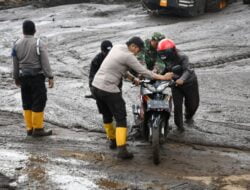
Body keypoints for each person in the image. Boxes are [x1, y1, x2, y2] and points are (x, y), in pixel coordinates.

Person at [91, 36, 173, 159]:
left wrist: (133, 79)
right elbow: (145, 72)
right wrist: (164, 77)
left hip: (96, 86)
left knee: (107, 115)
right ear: (133, 46)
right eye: (138, 50)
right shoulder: (128, 56)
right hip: (109, 89)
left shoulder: (117, 48)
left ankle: (112, 140)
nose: (137, 53)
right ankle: (122, 150)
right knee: (121, 118)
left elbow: (120, 69)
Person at [12, 20, 54, 137]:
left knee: (27, 102)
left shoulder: (16, 44)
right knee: (39, 101)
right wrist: (50, 76)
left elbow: (15, 64)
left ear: (23, 30)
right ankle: (38, 129)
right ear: (34, 30)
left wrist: (16, 77)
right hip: (37, 78)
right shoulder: (38, 43)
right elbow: (45, 62)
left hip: (23, 78)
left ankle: (29, 128)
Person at [157, 39, 200, 133]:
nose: (163, 56)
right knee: (177, 106)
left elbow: (187, 70)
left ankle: (188, 117)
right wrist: (158, 77)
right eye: (161, 54)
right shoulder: (164, 59)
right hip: (175, 84)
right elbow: (165, 69)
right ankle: (179, 126)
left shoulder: (182, 57)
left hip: (189, 82)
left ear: (171, 51)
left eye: (165, 54)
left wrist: (182, 79)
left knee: (193, 105)